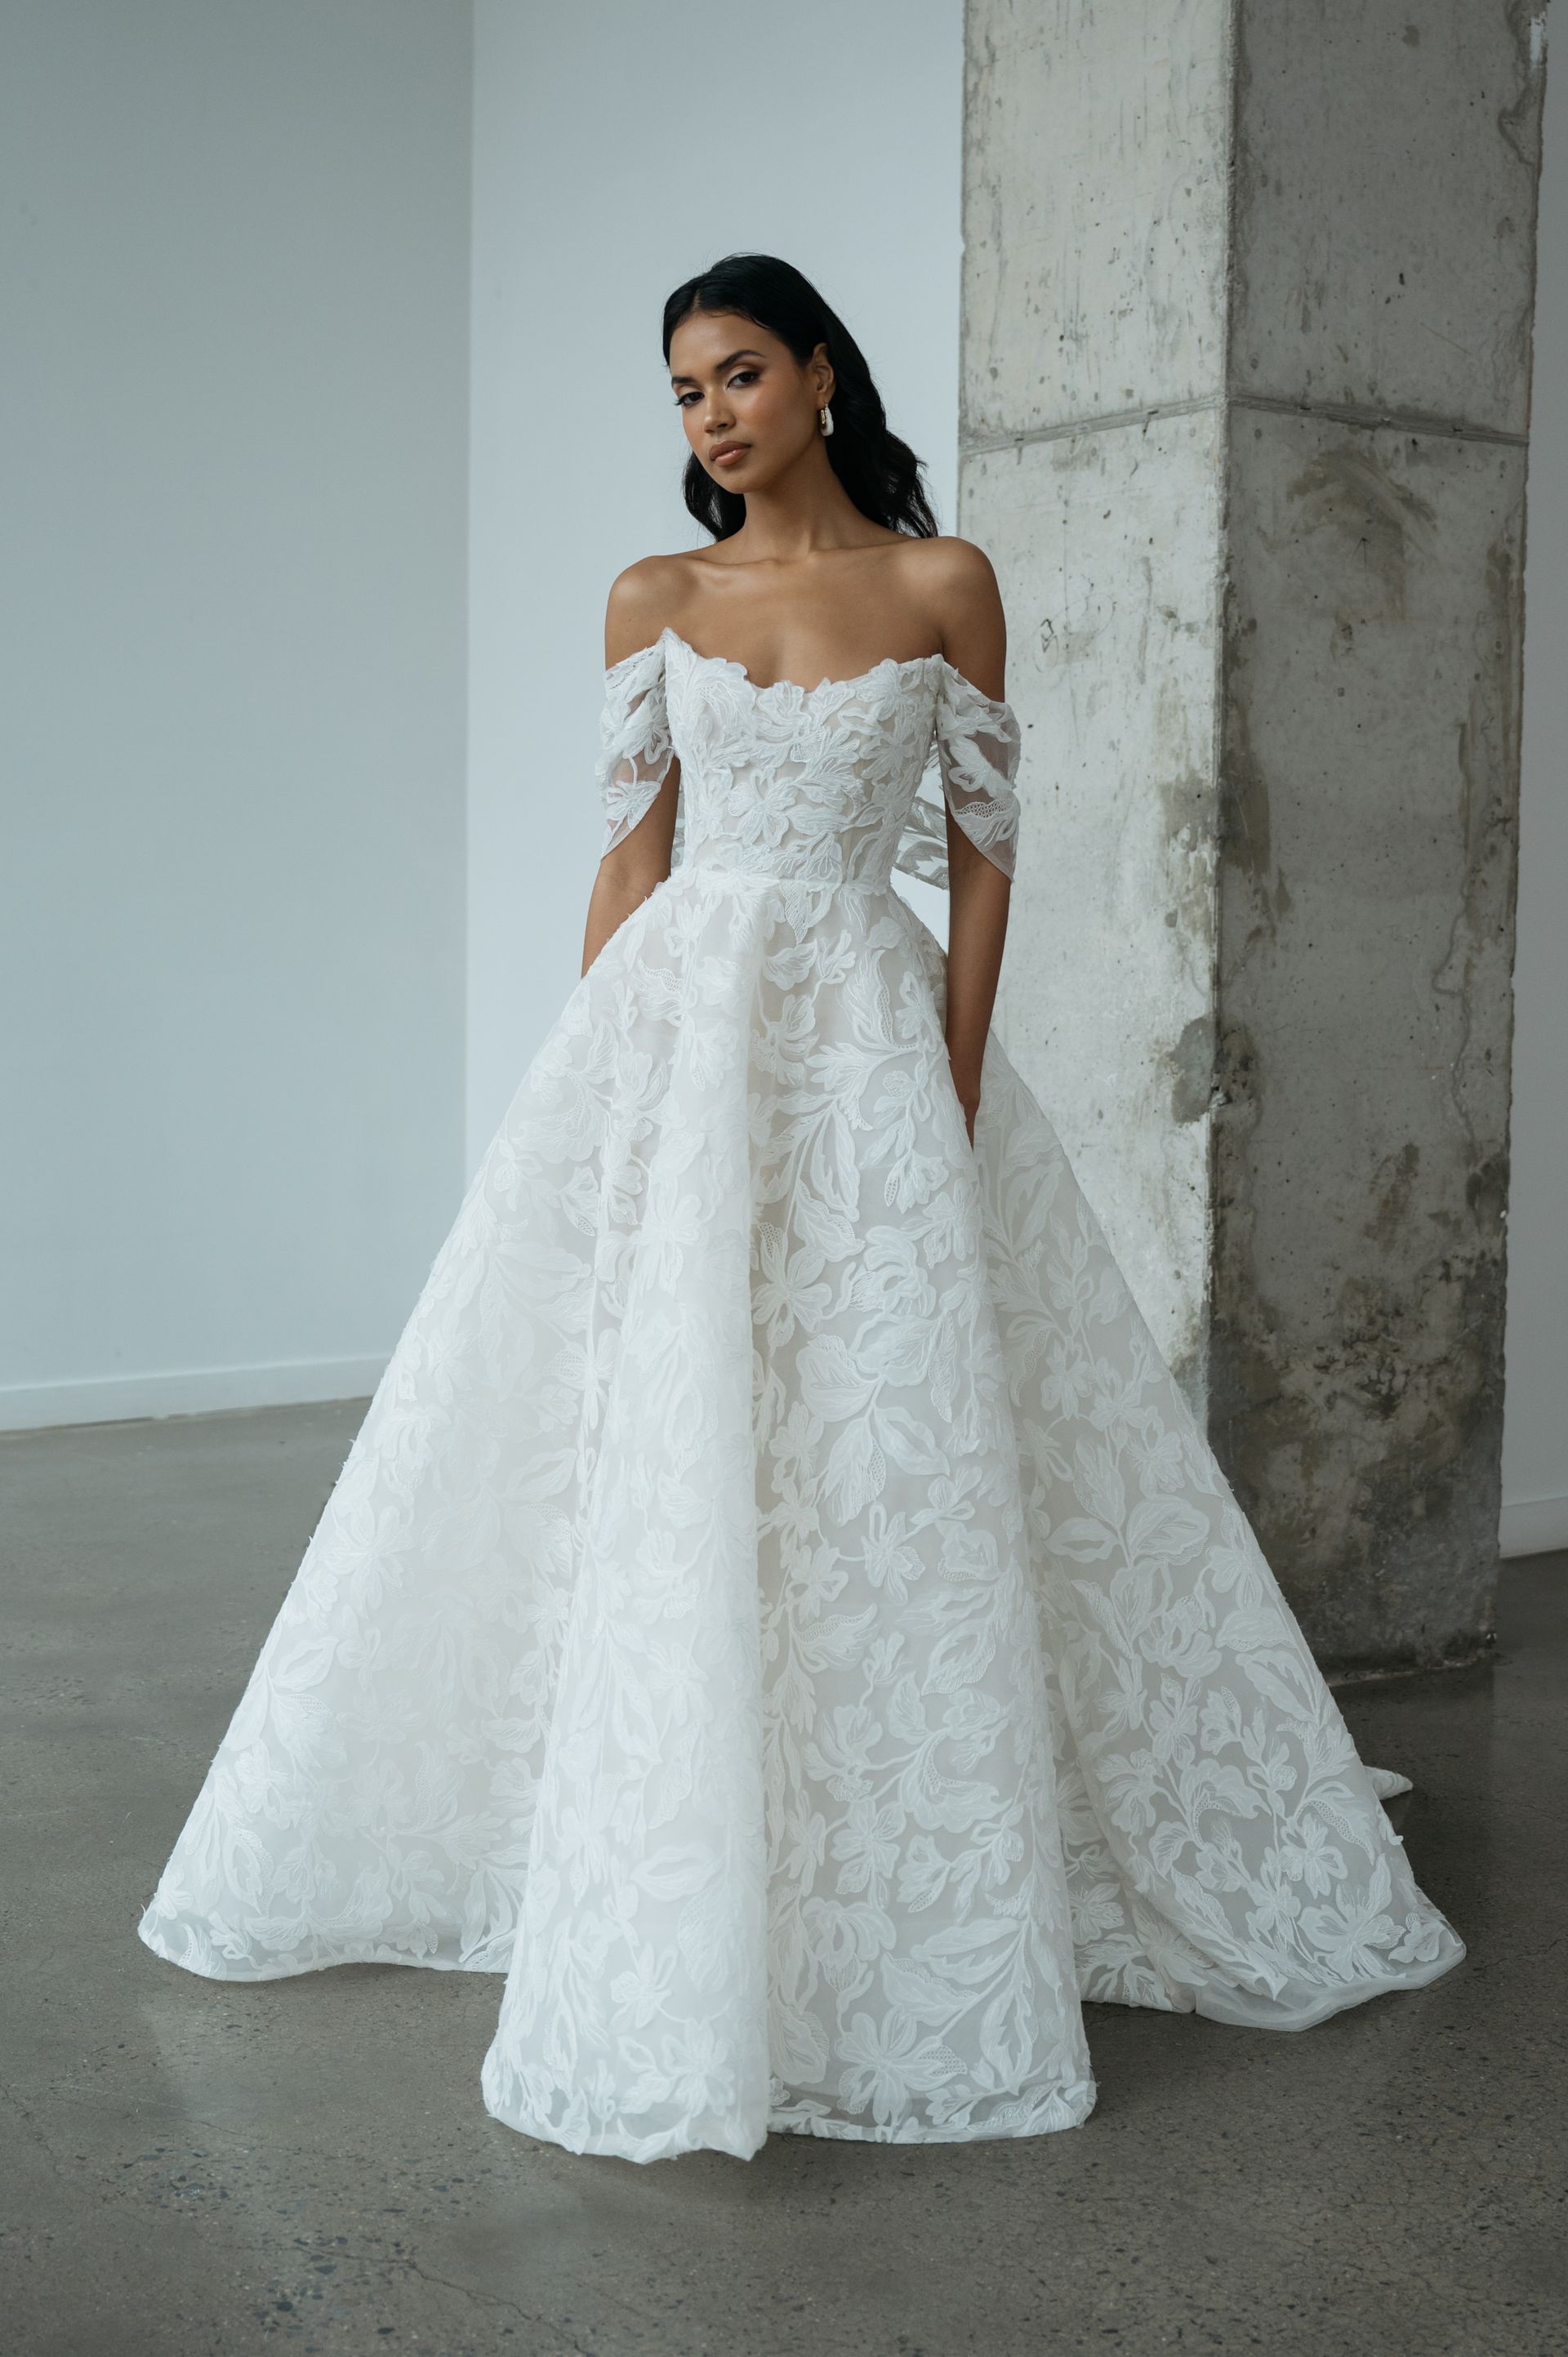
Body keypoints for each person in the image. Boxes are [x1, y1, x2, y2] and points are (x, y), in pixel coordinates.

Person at [139, 252, 1463, 2163]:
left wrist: (941, 1074)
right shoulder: (653, 598)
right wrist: (587, 1107)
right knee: (679, 1432)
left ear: (822, 374)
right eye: (683, 393)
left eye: (740, 374)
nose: (711, 418)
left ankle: (880, 1859)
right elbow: (627, 864)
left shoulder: (944, 586)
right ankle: (679, 1841)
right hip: (681, 1053)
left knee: (877, 1459)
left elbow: (986, 858)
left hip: (864, 1052)